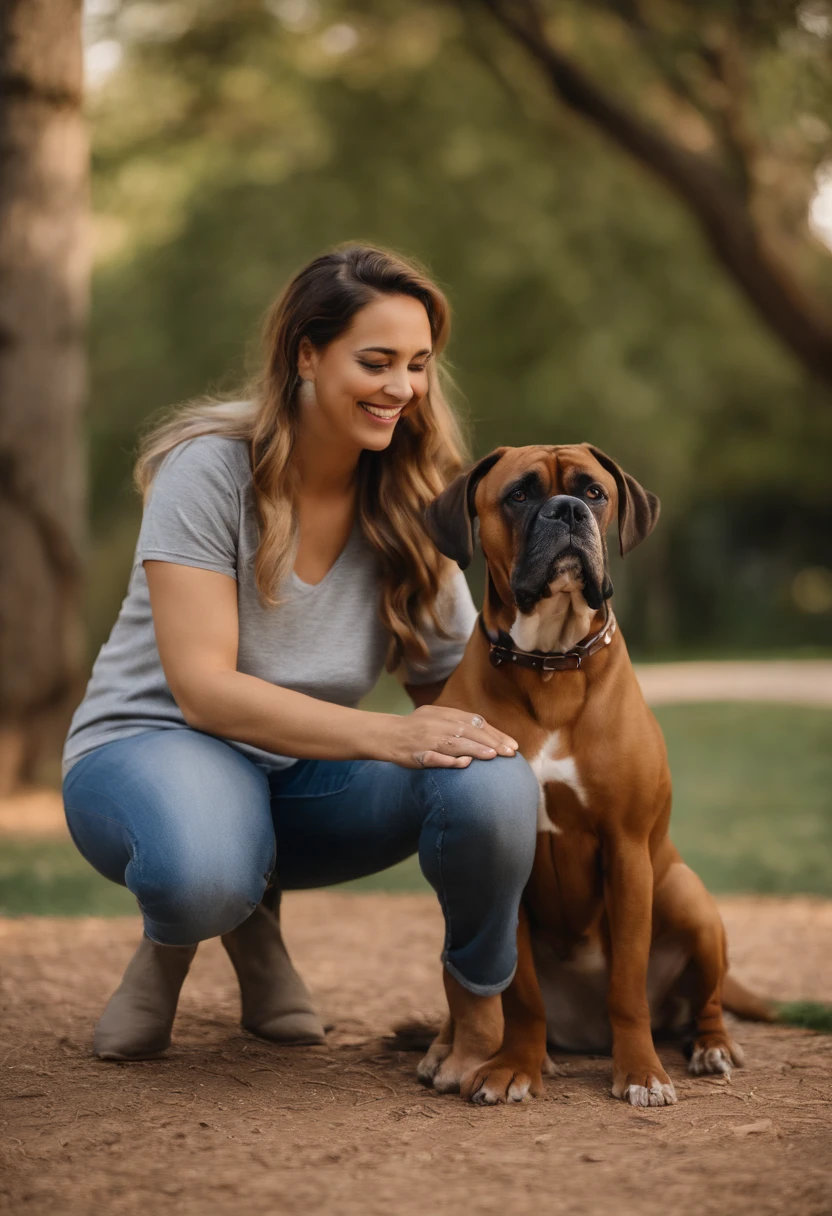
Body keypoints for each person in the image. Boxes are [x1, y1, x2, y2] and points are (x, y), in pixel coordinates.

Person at [61, 243, 541, 1062]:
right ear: (306, 354)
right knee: (200, 870)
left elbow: (460, 692)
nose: (402, 389)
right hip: (154, 746)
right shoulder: (210, 470)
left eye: (419, 365)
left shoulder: (414, 500)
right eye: (377, 361)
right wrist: (392, 736)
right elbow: (205, 692)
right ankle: (184, 936)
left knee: (495, 780)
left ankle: (481, 1005)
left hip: (300, 778)